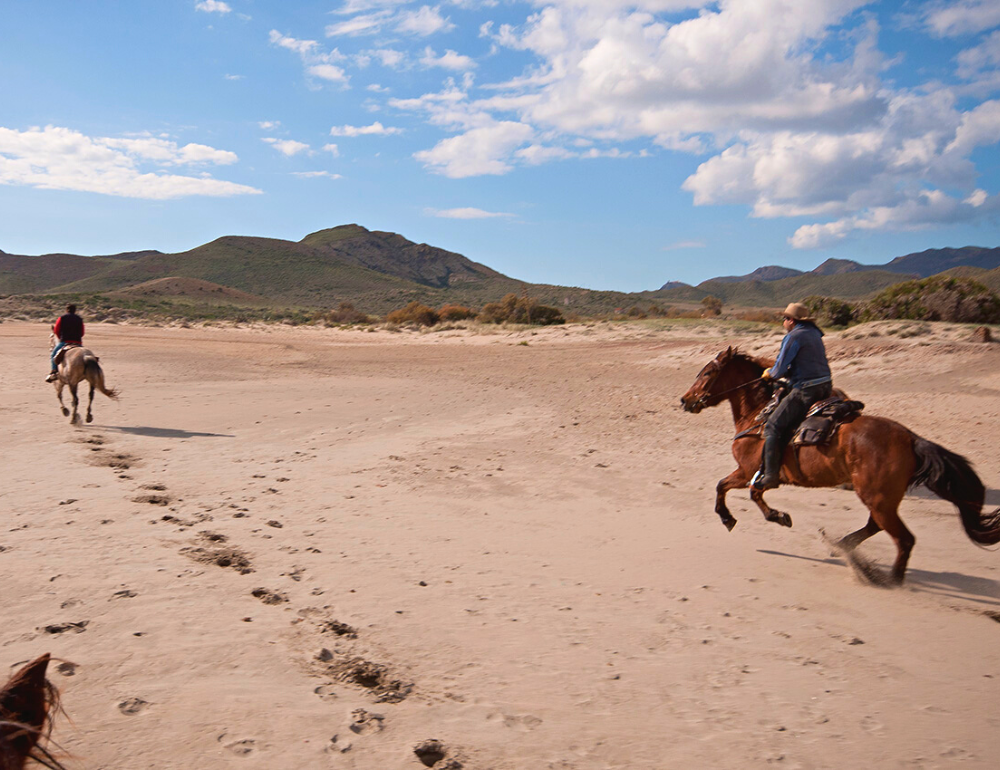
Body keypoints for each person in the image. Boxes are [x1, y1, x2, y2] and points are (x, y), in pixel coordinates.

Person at [752, 302, 833, 490]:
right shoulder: (815, 333)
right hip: (825, 386)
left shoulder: (794, 336)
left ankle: (771, 475)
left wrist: (769, 374)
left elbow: (779, 368)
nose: (783, 322)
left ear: (791, 320)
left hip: (806, 389)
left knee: (772, 426)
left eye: (784, 318)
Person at [46, 304, 84, 382]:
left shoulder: (62, 318)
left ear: (66, 310)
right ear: (75, 310)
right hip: (78, 342)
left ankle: (54, 372)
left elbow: (56, 330)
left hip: (65, 341)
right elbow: (82, 332)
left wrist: (61, 339)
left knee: (53, 354)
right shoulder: (79, 319)